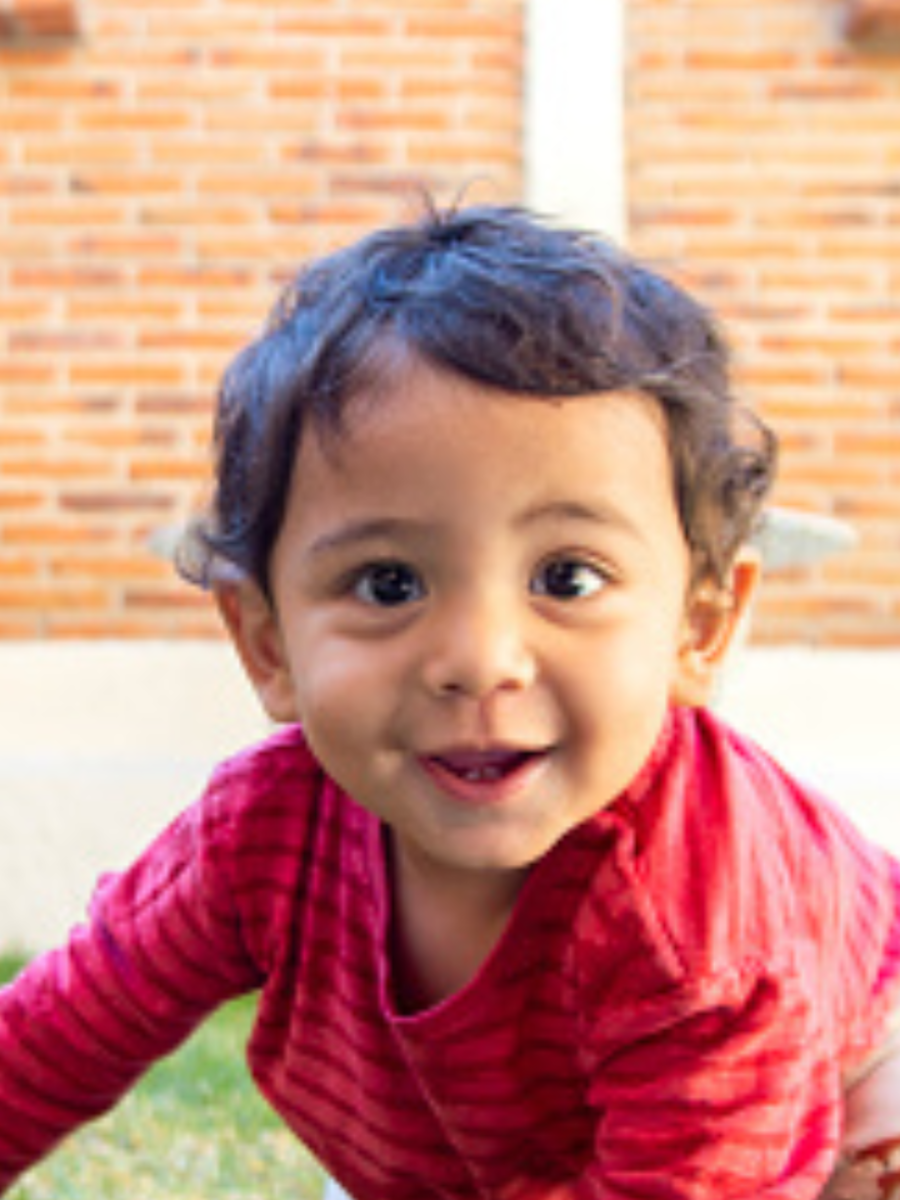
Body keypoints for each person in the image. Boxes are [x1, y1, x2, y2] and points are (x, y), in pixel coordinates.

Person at [1, 201, 899, 1199]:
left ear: (699, 628)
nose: (480, 661)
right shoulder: (259, 833)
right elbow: (54, 1035)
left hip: (831, 1081)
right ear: (267, 643)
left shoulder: (699, 940)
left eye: (567, 578)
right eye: (390, 584)